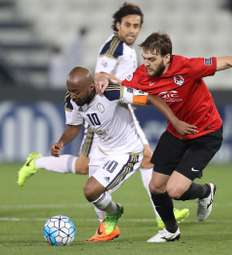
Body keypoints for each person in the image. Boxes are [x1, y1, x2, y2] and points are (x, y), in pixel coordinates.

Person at [17, 2, 189, 241]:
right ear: (117, 25)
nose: (132, 30)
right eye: (128, 24)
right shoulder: (111, 51)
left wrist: (172, 114)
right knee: (87, 172)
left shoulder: (121, 68)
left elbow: (139, 94)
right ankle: (116, 218)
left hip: (120, 124)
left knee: (117, 171)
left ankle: (151, 217)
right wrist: (61, 141)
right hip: (101, 126)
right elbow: (96, 83)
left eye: (137, 26)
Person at [97, 32, 232, 242]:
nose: (146, 63)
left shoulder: (187, 67)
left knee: (174, 190)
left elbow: (230, 60)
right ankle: (171, 231)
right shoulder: (142, 75)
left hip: (206, 134)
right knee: (156, 186)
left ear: (167, 57)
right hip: (176, 132)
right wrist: (102, 77)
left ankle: (204, 192)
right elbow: (120, 84)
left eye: (152, 59)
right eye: (144, 58)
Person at [48, 66, 195, 243]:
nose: (73, 95)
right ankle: (108, 226)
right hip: (101, 149)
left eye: (76, 92)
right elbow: (73, 126)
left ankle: (114, 213)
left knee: (91, 190)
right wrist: (61, 142)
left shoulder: (111, 92)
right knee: (94, 195)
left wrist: (175, 120)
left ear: (91, 87)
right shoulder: (71, 100)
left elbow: (150, 98)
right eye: (70, 91)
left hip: (127, 152)